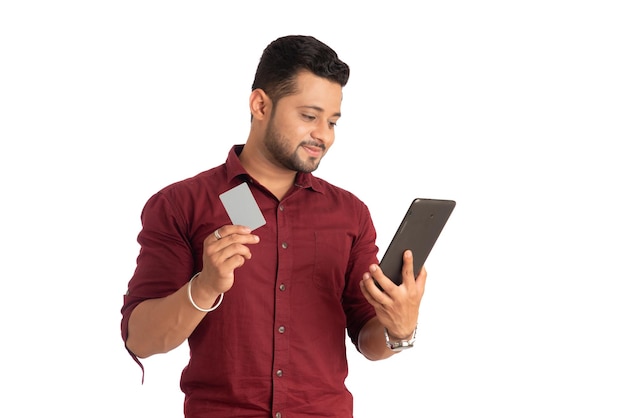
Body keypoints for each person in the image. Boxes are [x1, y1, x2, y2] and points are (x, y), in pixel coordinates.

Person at [121, 34, 427, 418]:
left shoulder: (350, 215)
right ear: (260, 104)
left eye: (332, 121)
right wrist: (204, 287)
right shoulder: (181, 205)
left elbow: (369, 338)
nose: (324, 135)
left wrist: (399, 330)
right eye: (309, 116)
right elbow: (141, 339)